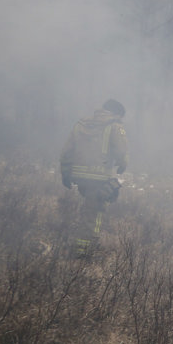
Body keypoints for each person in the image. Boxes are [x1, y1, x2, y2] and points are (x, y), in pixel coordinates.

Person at [60, 98, 129, 259]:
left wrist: (65, 173)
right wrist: (122, 164)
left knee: (88, 209)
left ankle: (80, 244)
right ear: (117, 113)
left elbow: (66, 152)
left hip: (80, 176)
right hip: (99, 176)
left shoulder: (81, 125)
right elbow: (121, 151)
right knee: (94, 212)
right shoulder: (114, 126)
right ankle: (85, 250)